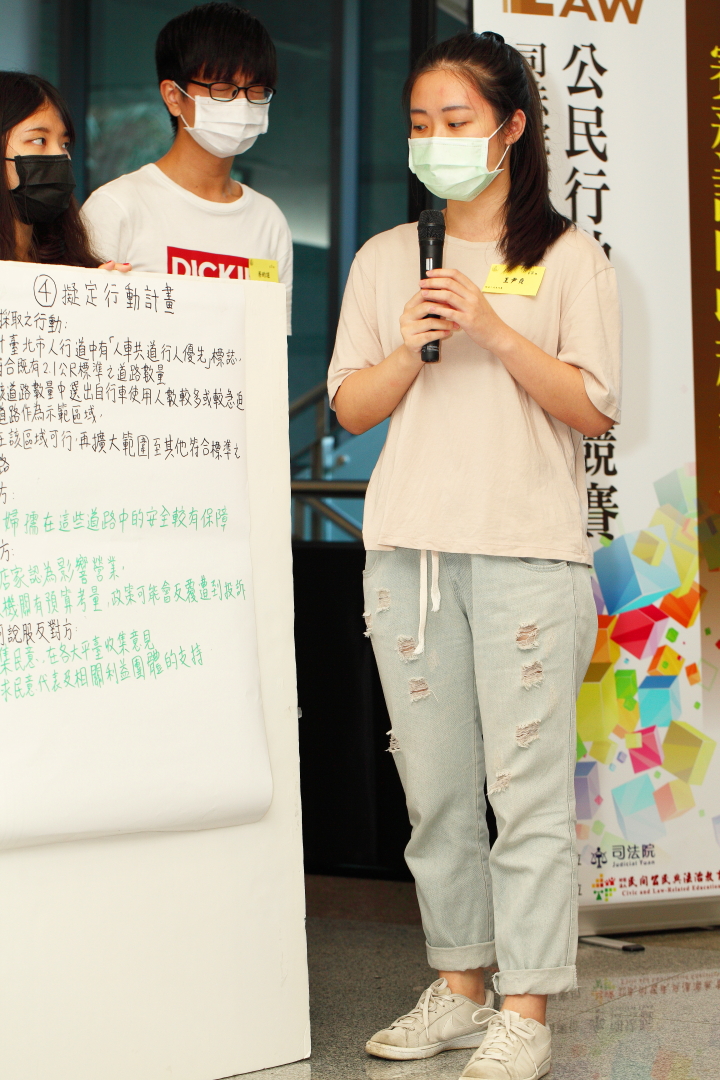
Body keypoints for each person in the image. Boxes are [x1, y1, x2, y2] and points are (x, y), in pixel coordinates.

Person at [328, 30, 620, 1080]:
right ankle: (459, 988)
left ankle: (525, 1009)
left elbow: (593, 407)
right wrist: (414, 348)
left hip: (526, 556)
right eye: (420, 124)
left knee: (525, 794)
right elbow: (351, 407)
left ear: (510, 130)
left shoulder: (568, 257)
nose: (435, 141)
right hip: (408, 555)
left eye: (456, 122)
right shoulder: (384, 258)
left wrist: (494, 329)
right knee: (437, 794)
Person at [82, 2, 292, 330]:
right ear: (173, 96)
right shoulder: (117, 207)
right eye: (223, 89)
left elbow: (270, 344)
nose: (242, 104)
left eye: (256, 91)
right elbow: (83, 336)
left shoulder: (268, 221)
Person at [1, 70, 126, 271]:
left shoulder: (72, 268)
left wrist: (98, 287)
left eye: (64, 144)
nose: (60, 155)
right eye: (39, 140)